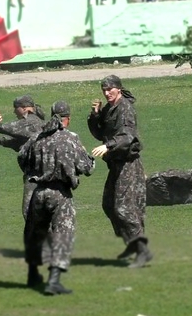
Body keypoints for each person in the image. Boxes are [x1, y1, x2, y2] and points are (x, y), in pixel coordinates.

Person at [18, 101, 95, 295]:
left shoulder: (37, 137)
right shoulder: (70, 138)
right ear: (66, 118)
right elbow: (86, 168)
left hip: (38, 192)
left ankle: (32, 274)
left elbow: (22, 157)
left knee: (35, 234)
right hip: (60, 193)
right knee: (63, 234)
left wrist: (33, 170)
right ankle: (54, 281)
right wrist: (90, 158)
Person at [87, 75, 153, 269]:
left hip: (128, 164)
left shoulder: (125, 109)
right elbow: (101, 133)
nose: (107, 93)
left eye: (110, 89)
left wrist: (109, 146)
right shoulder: (110, 108)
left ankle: (143, 251)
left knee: (124, 209)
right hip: (115, 164)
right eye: (104, 90)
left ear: (119, 88)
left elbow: (127, 136)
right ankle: (131, 244)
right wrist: (95, 116)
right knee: (108, 204)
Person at [0, 95, 45, 219]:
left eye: (15, 108)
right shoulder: (34, 123)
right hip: (40, 173)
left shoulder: (29, 121)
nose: (14, 111)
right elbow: (16, 142)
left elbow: (6, 129)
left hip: (35, 176)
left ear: (24, 108)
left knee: (29, 212)